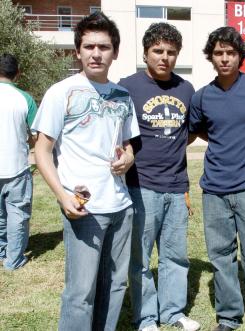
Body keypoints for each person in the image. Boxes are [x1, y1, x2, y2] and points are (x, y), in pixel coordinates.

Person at [32, 12, 139, 330]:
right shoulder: (60, 92)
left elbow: (128, 144)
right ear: (78, 51)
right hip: (84, 207)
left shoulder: (123, 96)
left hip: (121, 206)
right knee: (81, 292)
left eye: (103, 47)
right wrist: (63, 196)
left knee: (116, 285)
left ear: (115, 52)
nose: (96, 53)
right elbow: (42, 151)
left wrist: (129, 157)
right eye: (89, 46)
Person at [188, 26, 245, 331]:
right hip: (214, 189)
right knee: (221, 256)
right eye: (218, 53)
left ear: (240, 55)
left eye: (230, 52)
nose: (225, 58)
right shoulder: (202, 97)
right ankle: (228, 317)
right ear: (211, 57)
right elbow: (198, 129)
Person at [118, 23, 199, 331]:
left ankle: (173, 312)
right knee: (140, 259)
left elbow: (187, 133)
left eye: (171, 52)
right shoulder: (127, 86)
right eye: (158, 51)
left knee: (175, 256)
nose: (165, 57)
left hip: (177, 187)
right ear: (146, 53)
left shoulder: (186, 89)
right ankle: (146, 318)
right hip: (142, 186)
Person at [0, 53, 37, 271]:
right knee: (17, 214)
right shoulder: (25, 98)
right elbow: (37, 134)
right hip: (17, 167)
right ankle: (13, 259)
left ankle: (1, 250)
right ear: (18, 73)